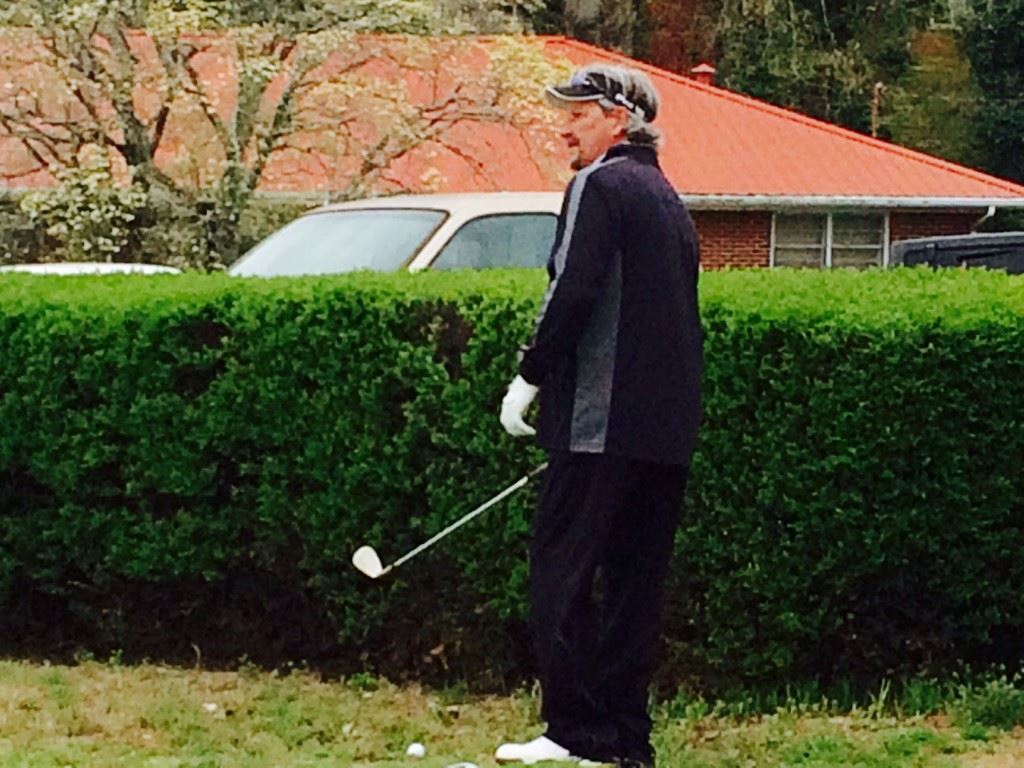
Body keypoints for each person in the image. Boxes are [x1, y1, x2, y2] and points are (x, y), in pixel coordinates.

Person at [495, 64, 703, 768]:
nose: (564, 127)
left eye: (579, 113)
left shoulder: (599, 185)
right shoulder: (670, 199)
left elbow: (570, 292)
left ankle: (574, 733)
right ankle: (624, 742)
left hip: (597, 424)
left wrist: (527, 377)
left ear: (620, 118)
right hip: (664, 433)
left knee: (561, 574)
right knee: (634, 591)